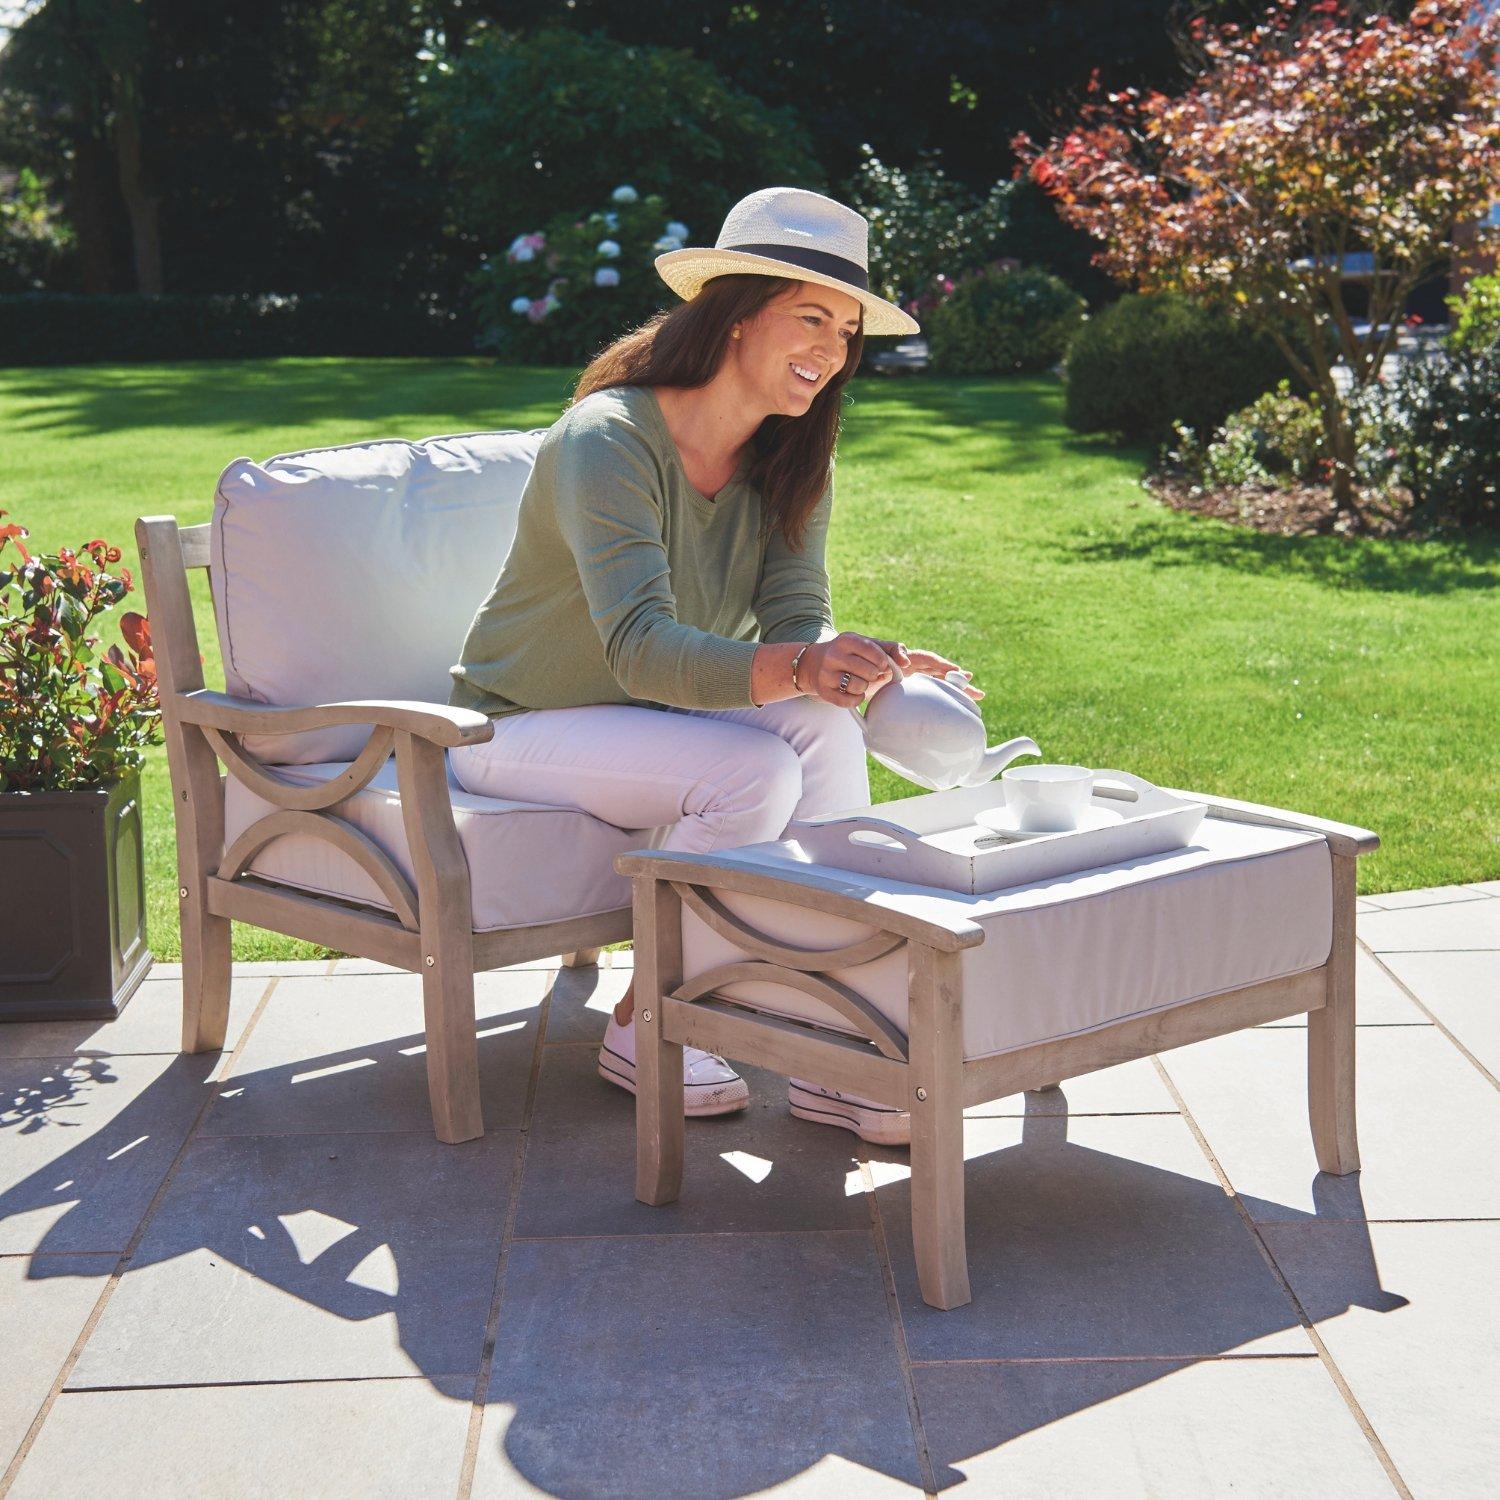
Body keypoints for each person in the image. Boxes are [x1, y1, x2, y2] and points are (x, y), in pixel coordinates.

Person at [448, 186, 981, 1146]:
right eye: (810, 317)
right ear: (735, 314)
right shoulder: (610, 439)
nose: (831, 349)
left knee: (819, 726)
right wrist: (805, 665)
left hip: (657, 716)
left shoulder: (793, 451)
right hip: (516, 723)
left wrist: (864, 670)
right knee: (755, 769)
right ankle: (643, 1022)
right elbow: (641, 649)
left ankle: (835, 1046)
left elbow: (795, 619)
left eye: (847, 331)